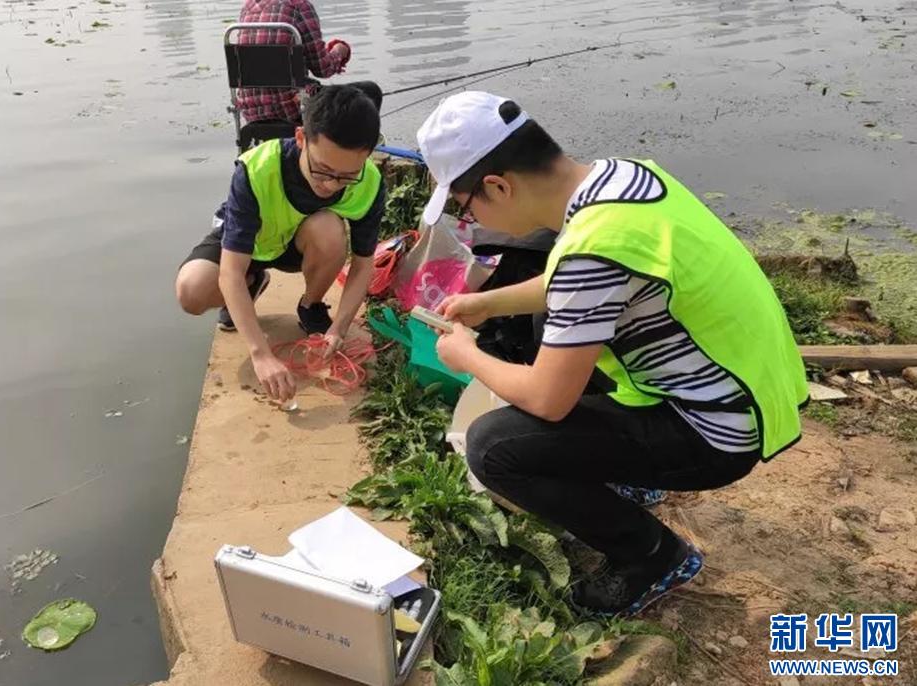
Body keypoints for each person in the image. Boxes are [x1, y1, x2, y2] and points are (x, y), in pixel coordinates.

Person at [417, 91, 808, 616]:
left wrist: (467, 356)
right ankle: (628, 475)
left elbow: (548, 398)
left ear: (498, 186)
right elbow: (574, 286)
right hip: (746, 390)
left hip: (716, 433)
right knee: (547, 324)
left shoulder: (591, 249)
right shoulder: (623, 179)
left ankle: (652, 556)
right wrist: (489, 303)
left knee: (493, 448)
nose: (469, 221)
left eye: (465, 208)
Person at [175, 85, 385, 403]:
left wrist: (339, 329)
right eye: (322, 169)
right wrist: (261, 353)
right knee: (191, 292)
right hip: (249, 244)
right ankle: (254, 281)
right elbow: (230, 271)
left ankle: (311, 306)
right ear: (301, 139)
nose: (330, 185)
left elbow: (363, 263)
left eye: (346, 176)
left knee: (330, 228)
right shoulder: (257, 169)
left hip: (299, 244)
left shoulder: (370, 183)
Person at [235, 0, 383, 125]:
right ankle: (357, 146)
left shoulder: (248, 7)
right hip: (293, 111)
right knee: (370, 91)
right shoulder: (299, 7)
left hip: (252, 114)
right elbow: (323, 68)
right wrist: (340, 50)